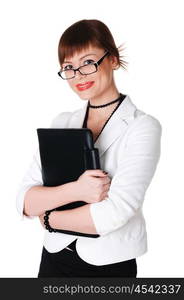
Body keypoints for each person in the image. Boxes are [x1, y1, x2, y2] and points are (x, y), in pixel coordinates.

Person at [16, 19, 162, 278]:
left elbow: (114, 213)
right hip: (53, 258)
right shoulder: (62, 122)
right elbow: (25, 201)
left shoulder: (142, 127)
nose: (79, 75)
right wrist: (77, 190)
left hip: (109, 264)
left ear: (113, 59)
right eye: (69, 67)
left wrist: (49, 218)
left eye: (88, 62)